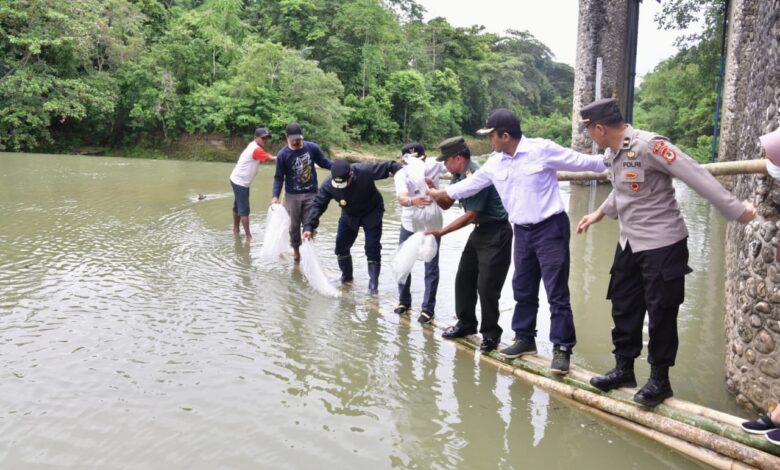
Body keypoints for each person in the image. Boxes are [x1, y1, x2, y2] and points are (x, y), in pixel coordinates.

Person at [575, 97, 757, 407]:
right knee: (624, 305)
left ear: (600, 128)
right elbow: (626, 191)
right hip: (630, 242)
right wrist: (600, 213)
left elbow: (695, 174)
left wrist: (737, 210)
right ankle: (624, 369)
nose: (588, 135)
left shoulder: (650, 146)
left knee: (661, 312)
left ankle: (660, 381)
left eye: (589, 129)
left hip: (663, 244)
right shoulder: (614, 153)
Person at [427, 109, 606, 374]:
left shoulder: (541, 150)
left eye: (491, 136)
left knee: (555, 290)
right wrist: (440, 192)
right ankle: (524, 338)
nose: (490, 141)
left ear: (505, 135)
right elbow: (472, 185)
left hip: (550, 228)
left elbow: (584, 162)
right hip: (521, 230)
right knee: (523, 286)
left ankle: (562, 348)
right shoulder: (496, 162)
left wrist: (616, 160)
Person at [426, 137, 512, 353]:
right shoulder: (458, 177)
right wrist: (434, 190)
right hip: (480, 232)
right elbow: (447, 205)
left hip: (496, 232)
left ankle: (491, 335)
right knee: (463, 278)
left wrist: (442, 232)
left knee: (487, 287)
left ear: (458, 158)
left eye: (446, 161)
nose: (444, 165)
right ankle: (466, 324)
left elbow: (470, 215)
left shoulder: (476, 176)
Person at [302, 159, 403, 294]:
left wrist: (405, 175)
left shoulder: (364, 170)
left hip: (372, 212)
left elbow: (390, 166)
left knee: (372, 248)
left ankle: (373, 285)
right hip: (350, 214)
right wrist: (309, 226)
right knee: (341, 247)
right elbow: (318, 204)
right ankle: (346, 277)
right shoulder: (328, 185)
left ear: (351, 175)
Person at [393, 142, 447, 323]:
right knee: (404, 263)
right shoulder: (401, 174)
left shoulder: (433, 166)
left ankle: (428, 309)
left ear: (425, 157)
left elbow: (453, 165)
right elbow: (401, 197)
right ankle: (404, 301)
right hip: (409, 224)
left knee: (431, 267)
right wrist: (411, 200)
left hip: (431, 224)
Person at [271, 122, 333, 261]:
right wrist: (275, 196)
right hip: (292, 196)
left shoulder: (312, 148)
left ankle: (309, 251)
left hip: (311, 193)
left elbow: (325, 163)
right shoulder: (282, 155)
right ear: (286, 137)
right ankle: (297, 253)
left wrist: (341, 168)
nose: (297, 142)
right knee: (293, 227)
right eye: (294, 140)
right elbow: (279, 177)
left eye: (299, 139)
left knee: (310, 223)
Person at [229, 127, 274, 240]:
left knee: (238, 205)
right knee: (244, 210)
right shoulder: (256, 149)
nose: (265, 140)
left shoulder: (254, 145)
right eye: (263, 138)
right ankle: (249, 236)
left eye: (266, 138)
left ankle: (236, 229)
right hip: (240, 182)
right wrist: (286, 158)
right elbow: (271, 159)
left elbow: (266, 156)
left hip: (236, 179)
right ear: (256, 138)